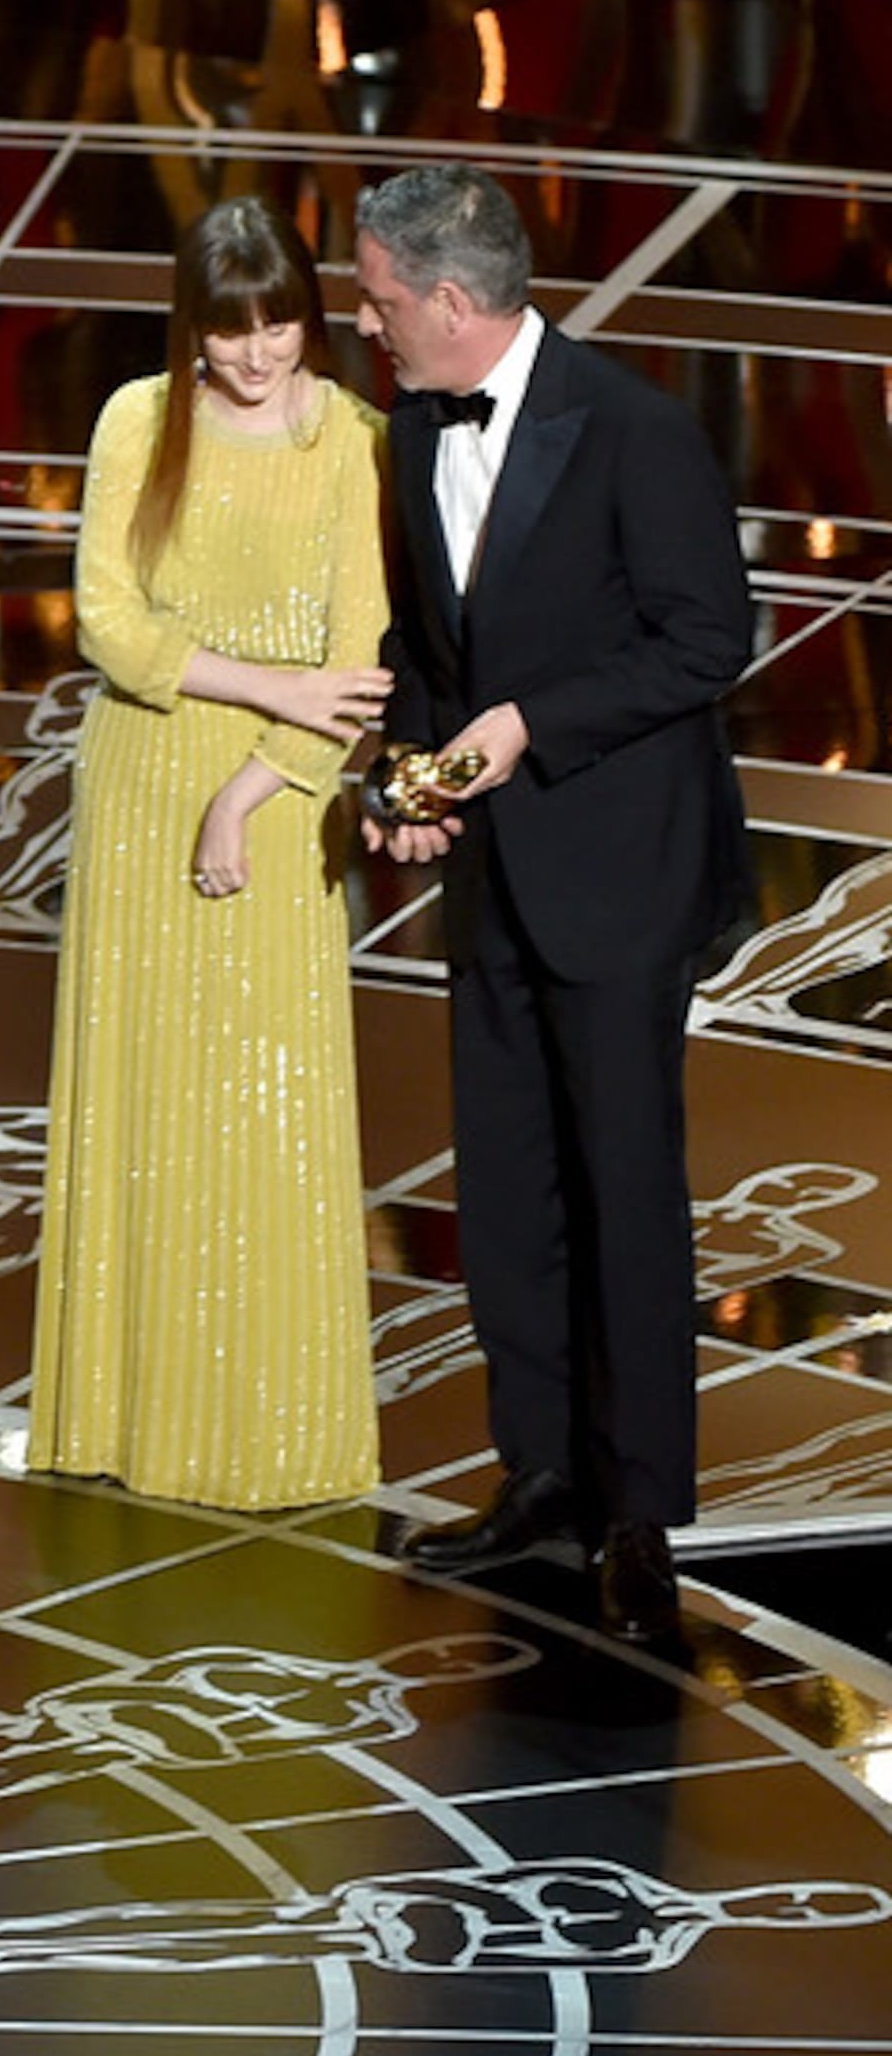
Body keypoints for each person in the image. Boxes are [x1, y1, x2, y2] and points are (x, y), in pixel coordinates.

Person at [348, 164, 753, 1635]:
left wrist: (528, 727)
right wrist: (414, 776)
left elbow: (710, 637)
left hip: (624, 870)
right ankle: (540, 1480)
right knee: (509, 1187)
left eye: (382, 300)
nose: (368, 323)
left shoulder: (635, 431)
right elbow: (433, 641)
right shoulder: (412, 427)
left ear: (452, 302)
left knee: (626, 1192)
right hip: (501, 872)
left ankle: (639, 1514)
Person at [26, 197, 389, 1512]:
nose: (255, 357)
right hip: (137, 788)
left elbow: (357, 661)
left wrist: (256, 783)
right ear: (194, 328)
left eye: (278, 326)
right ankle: (126, 1415)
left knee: (273, 1112)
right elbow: (107, 625)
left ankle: (280, 1437)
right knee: (139, 1106)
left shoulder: (354, 441)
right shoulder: (138, 418)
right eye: (230, 333)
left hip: (283, 806)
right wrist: (265, 687)